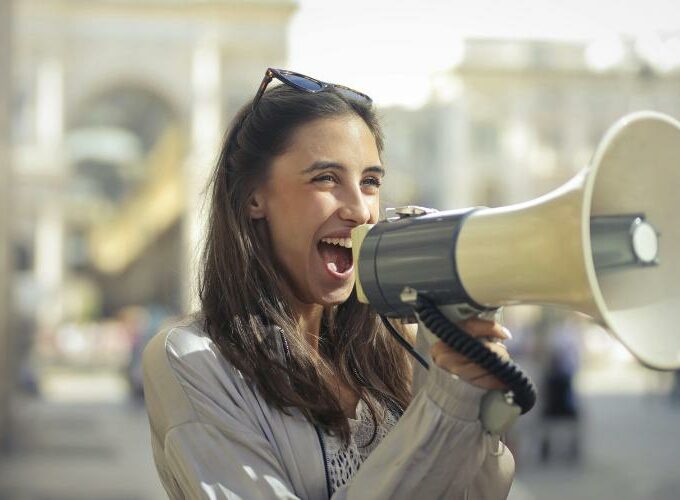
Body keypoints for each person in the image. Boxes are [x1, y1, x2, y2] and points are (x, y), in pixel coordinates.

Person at [142, 68, 515, 499]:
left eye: (370, 182)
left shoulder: (402, 346)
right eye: (326, 178)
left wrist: (472, 403)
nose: (360, 210)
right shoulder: (193, 359)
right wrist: (444, 410)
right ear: (253, 197)